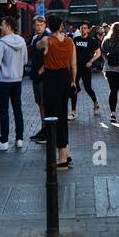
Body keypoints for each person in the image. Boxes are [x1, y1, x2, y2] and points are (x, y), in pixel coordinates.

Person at [37, 15, 76, 169]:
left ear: (48, 26)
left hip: (51, 79)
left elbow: (38, 45)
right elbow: (73, 64)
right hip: (65, 78)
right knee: (62, 114)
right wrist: (73, 81)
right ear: (61, 25)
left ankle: (62, 158)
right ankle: (67, 152)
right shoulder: (70, 41)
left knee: (55, 117)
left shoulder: (47, 40)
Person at [0, 16, 28, 151]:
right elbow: (25, 61)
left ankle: (4, 141)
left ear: (7, 26)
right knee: (18, 109)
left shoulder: (1, 42)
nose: (0, 27)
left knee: (4, 111)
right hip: (17, 80)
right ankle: (19, 139)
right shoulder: (22, 41)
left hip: (4, 80)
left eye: (2, 24)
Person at [71, 22, 101, 120]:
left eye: (85, 28)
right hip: (76, 67)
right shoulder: (75, 40)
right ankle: (73, 111)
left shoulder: (92, 41)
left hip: (86, 68)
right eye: (81, 28)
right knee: (74, 88)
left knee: (88, 88)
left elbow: (98, 53)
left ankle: (96, 103)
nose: (83, 29)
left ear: (88, 30)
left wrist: (91, 61)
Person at [27, 15, 50, 143]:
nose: (38, 27)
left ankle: (47, 132)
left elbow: (49, 56)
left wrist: (42, 70)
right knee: (40, 103)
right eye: (36, 25)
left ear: (45, 25)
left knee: (44, 103)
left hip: (44, 76)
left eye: (41, 25)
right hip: (35, 75)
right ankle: (43, 129)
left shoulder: (47, 37)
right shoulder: (35, 38)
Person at [101, 22, 119, 122]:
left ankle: (113, 113)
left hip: (109, 69)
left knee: (112, 90)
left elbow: (103, 54)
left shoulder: (106, 39)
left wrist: (108, 62)